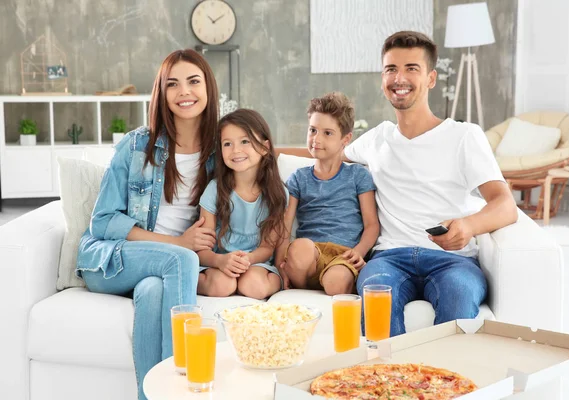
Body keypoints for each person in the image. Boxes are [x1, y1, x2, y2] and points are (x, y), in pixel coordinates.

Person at [344, 31, 518, 336]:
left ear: (431, 78)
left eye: (412, 68)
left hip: (453, 261)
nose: (400, 78)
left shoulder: (464, 136)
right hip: (389, 257)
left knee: (459, 296)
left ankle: (446, 382)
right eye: (391, 69)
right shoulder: (377, 138)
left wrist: (468, 226)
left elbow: (505, 205)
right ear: (382, 78)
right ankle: (388, 382)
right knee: (375, 300)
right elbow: (325, 153)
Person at [77, 49, 219, 400]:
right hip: (111, 260)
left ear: (208, 88)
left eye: (193, 81)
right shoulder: (138, 145)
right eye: (173, 84)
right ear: (162, 92)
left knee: (155, 291)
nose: (184, 91)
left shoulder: (221, 150)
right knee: (182, 259)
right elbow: (103, 221)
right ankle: (185, 390)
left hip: (162, 272)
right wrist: (179, 245)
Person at [275, 92, 379, 295]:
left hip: (344, 256)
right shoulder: (299, 178)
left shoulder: (357, 175)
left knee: (335, 282)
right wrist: (281, 267)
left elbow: (372, 225)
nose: (316, 139)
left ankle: (330, 282)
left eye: (327, 133)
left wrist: (359, 252)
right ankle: (305, 283)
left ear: (345, 139)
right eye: (313, 130)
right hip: (311, 254)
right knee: (299, 248)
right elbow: (284, 228)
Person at [196, 108, 288, 300]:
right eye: (227, 144)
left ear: (264, 147)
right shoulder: (215, 189)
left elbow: (267, 247)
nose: (236, 150)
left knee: (253, 285)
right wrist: (221, 261)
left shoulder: (277, 194)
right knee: (223, 285)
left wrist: (249, 259)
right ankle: (191, 280)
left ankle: (280, 281)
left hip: (255, 263)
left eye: (245, 141)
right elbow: (202, 249)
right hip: (218, 262)